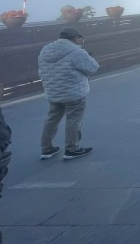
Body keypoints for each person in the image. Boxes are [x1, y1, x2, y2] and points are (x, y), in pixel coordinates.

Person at [38, 27, 98, 159]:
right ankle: (72, 149)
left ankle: (46, 149)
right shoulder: (77, 52)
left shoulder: (45, 50)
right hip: (74, 92)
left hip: (53, 91)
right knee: (73, 120)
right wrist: (86, 55)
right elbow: (92, 68)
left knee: (51, 120)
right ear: (75, 38)